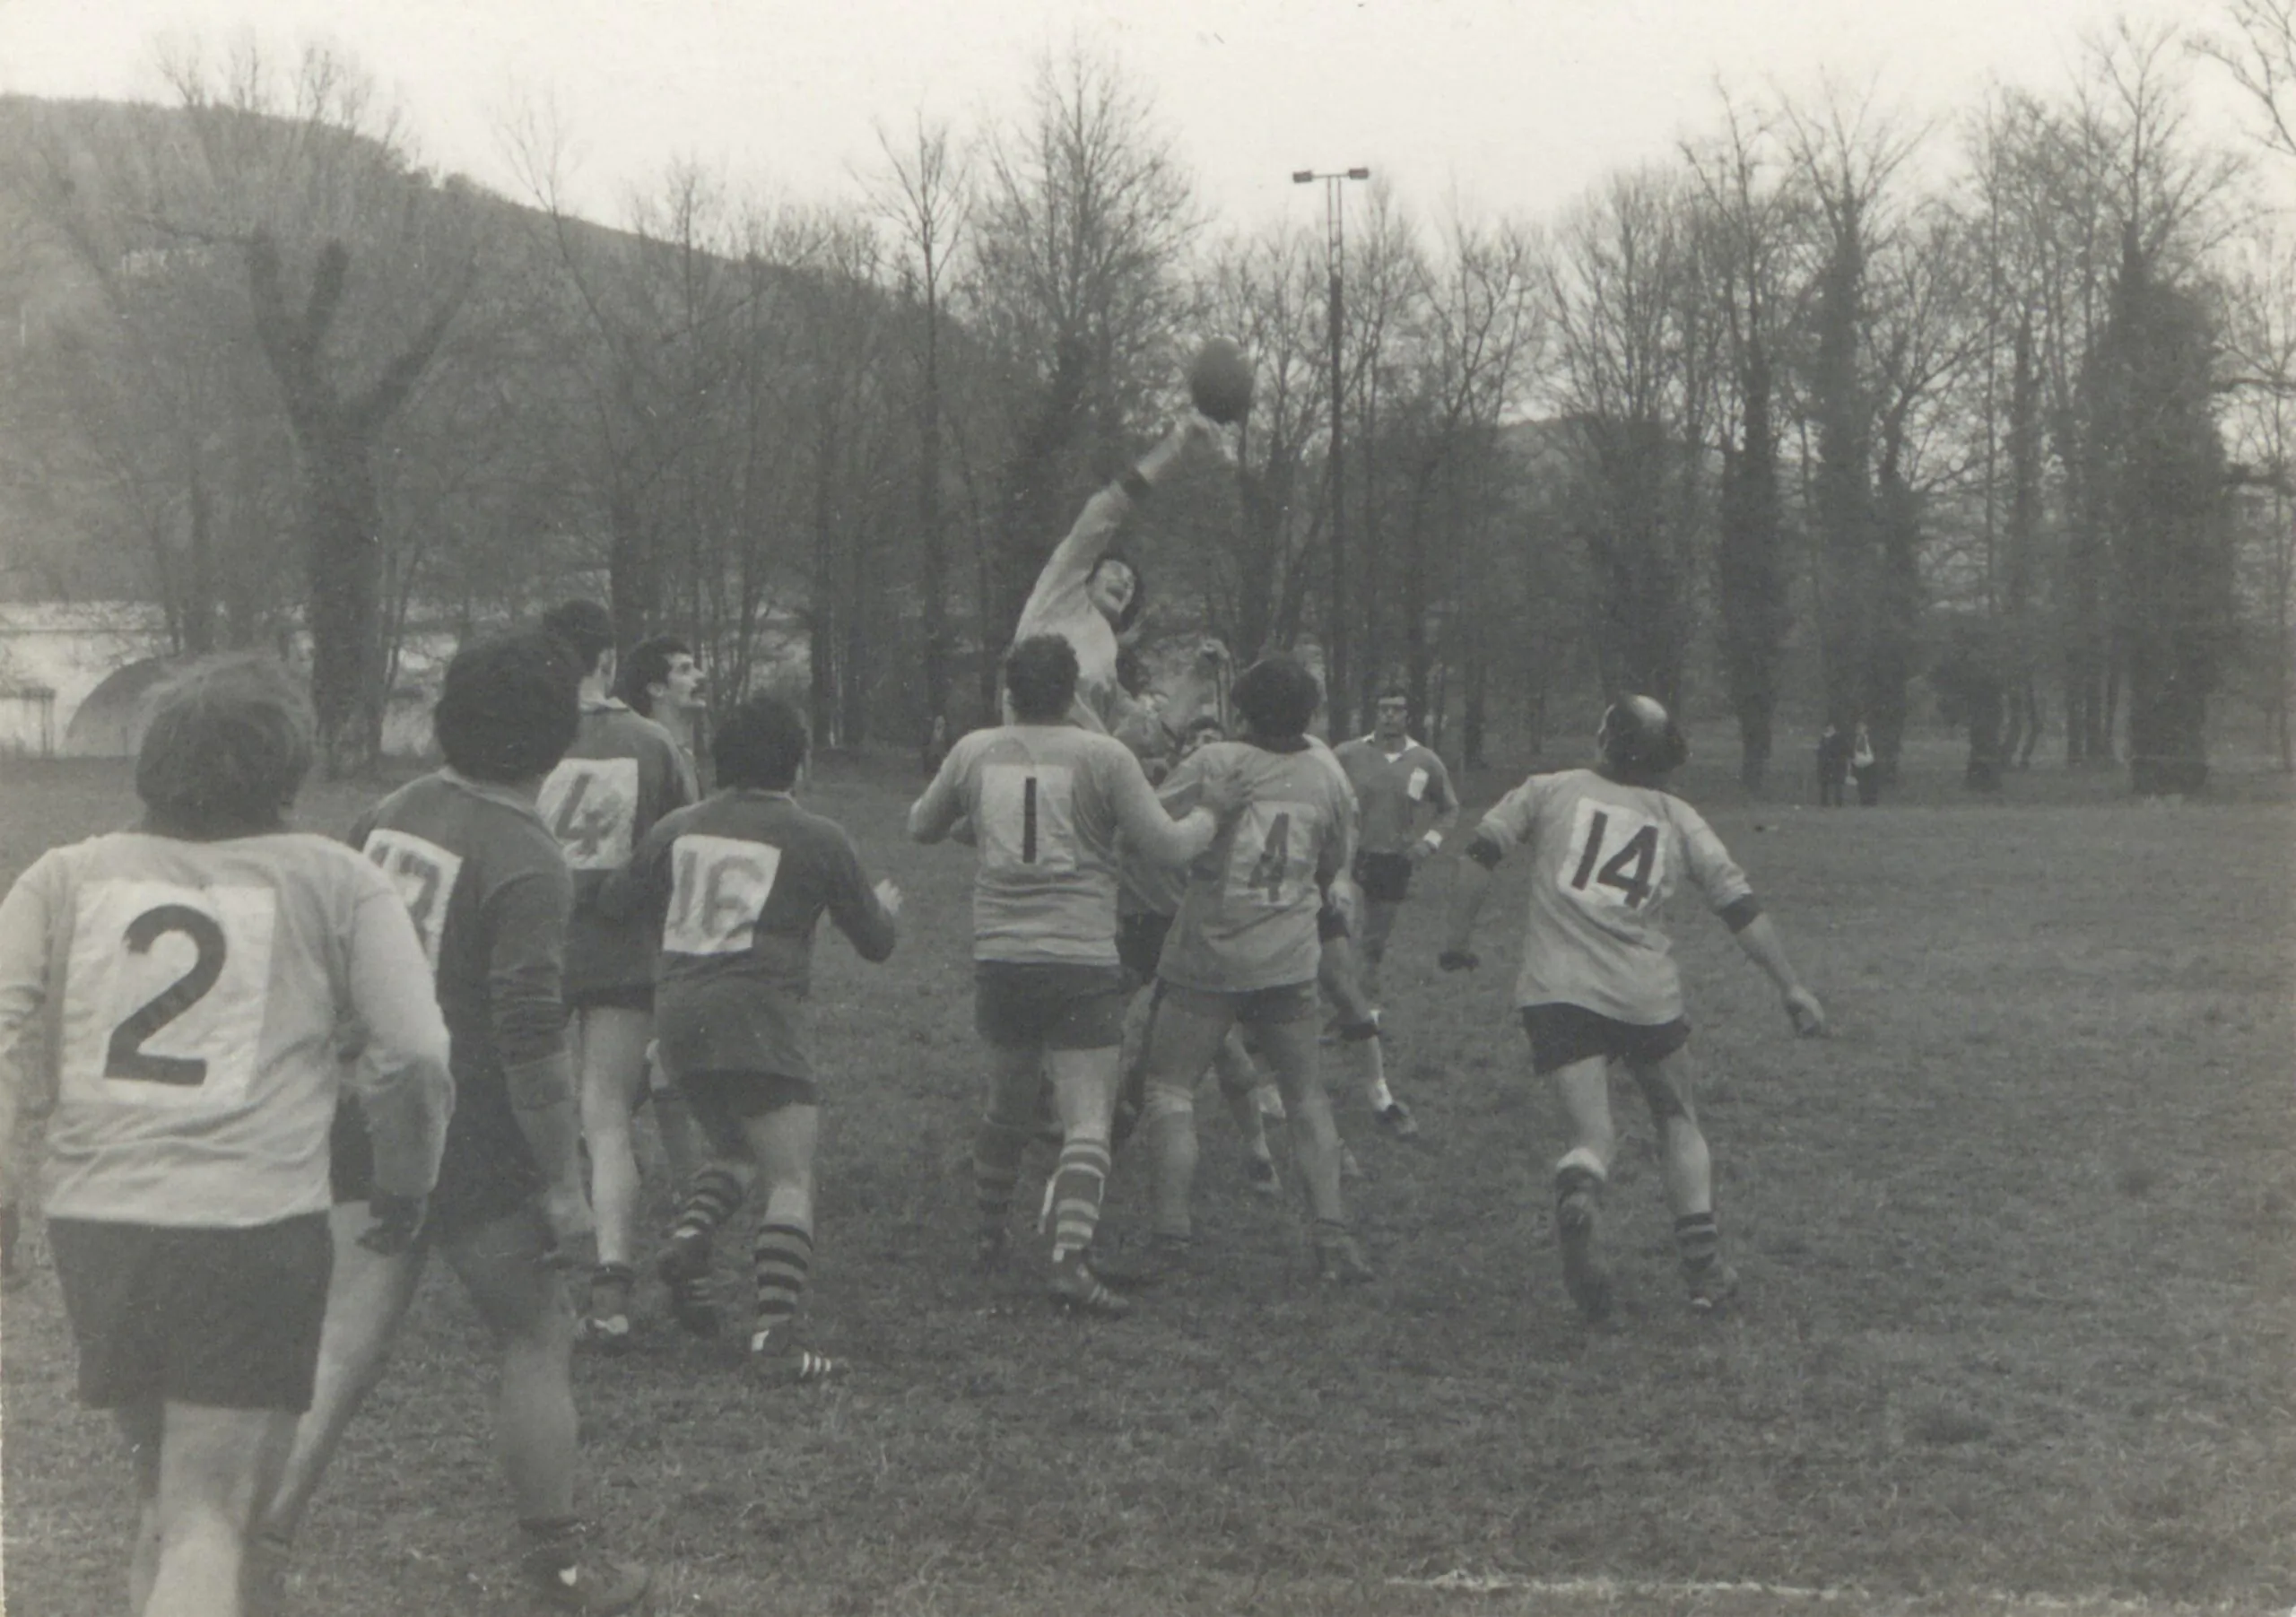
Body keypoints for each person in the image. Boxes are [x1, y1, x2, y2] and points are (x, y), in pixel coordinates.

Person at [0, 658, 454, 1617]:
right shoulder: (339, 879)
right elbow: (414, 1051)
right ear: (287, 770)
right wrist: (406, 1177)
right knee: (209, 1519)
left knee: (165, 1504)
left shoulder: (61, 876)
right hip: (251, 1227)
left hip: (98, 1225)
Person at [250, 633, 648, 1615]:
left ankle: (249, 1553)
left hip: (371, 1109)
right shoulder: (527, 857)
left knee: (343, 1348)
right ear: (556, 739)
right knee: (534, 1333)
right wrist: (562, 1185)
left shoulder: (388, 811)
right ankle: (558, 1575)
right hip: (468, 1129)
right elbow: (528, 1042)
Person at [1439, 694, 1826, 1320]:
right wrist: (1791, 986)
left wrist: (1457, 940)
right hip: (1646, 993)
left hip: (1557, 988)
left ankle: (1583, 1179)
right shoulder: (1678, 816)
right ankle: (1703, 1268)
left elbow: (1481, 852)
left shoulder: (1550, 788)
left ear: (1603, 738)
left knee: (1592, 1133)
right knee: (1676, 1112)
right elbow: (1739, 906)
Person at [909, 634, 1240, 1317]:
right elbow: (1169, 845)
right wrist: (1213, 811)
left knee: (1005, 1105)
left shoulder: (975, 749)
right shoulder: (1103, 755)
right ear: (1076, 695)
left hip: (1000, 954)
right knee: (1087, 1118)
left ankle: (989, 1233)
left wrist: (975, 825)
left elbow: (920, 826)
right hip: (1081, 954)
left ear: (1008, 691)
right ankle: (1069, 1261)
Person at [613, 695, 900, 1383]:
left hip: (679, 1014)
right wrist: (884, 907)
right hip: (758, 1014)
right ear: (797, 762)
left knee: (736, 1150)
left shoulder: (677, 826)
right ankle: (775, 1336)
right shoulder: (819, 835)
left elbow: (619, 901)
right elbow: (877, 944)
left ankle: (688, 1235)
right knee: (792, 1175)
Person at [1132, 655, 1373, 1285]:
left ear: (1240, 711)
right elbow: (1334, 863)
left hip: (1208, 952)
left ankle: (1171, 1234)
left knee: (1170, 1086)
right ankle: (1332, 1235)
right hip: (1289, 955)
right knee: (1305, 1094)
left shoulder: (1218, 763)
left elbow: (1148, 825)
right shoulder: (1326, 772)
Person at [539, 599, 699, 1349]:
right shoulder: (652, 741)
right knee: (606, 1113)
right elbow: (682, 842)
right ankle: (612, 1278)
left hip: (534, 941)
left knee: (536, 1107)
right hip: (620, 943)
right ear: (608, 660)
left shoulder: (518, 736)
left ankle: (535, 1269)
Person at [1112, 712, 1284, 1197]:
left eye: (1215, 739)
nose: (1205, 748)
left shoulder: (1236, 803)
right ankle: (1086, 1130)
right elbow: (1122, 839)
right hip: (1135, 932)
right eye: (1196, 741)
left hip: (1187, 936)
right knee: (1102, 1032)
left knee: (1220, 1051)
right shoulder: (1152, 790)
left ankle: (1259, 1152)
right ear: (1182, 749)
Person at [1011, 411, 1230, 751]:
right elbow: (1103, 513)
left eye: (1131, 582)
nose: (1125, 581)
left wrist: (1197, 677)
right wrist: (1174, 447)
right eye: (1115, 570)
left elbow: (1151, 737)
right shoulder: (1058, 597)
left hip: (1076, 786)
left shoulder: (1105, 670)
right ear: (1086, 578)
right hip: (1026, 762)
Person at [606, 632, 711, 1238]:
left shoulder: (682, 750)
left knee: (661, 1055)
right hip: (652, 924)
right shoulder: (651, 750)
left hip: (680, 919)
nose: (697, 676)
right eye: (684, 668)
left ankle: (594, 1137)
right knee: (665, 1051)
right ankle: (687, 1182)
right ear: (653, 687)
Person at [1330, 684, 1459, 1139]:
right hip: (1350, 859)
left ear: (1409, 716)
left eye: (1398, 710)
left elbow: (1449, 810)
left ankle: (1364, 1013)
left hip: (1393, 861)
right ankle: (1345, 1006)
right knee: (1341, 934)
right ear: (1375, 714)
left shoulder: (1425, 761)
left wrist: (1428, 843)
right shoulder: (1347, 753)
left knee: (1374, 943)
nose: (1389, 717)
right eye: (1383, 709)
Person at [1815, 721, 1848, 808]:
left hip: (1837, 764)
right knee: (1824, 783)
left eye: (1831, 727)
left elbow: (1840, 750)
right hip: (1825, 764)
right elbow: (1820, 750)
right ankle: (1824, 802)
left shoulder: (1839, 738)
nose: (1829, 729)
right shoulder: (1824, 738)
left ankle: (1838, 803)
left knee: (1838, 784)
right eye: (1828, 727)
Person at [1851, 719, 1880, 806]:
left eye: (1863, 728)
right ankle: (1863, 801)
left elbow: (1874, 749)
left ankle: (1872, 801)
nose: (1861, 730)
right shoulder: (1855, 739)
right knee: (1861, 784)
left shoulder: (1869, 738)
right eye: (1859, 728)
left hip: (1869, 762)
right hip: (1858, 763)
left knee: (1871, 783)